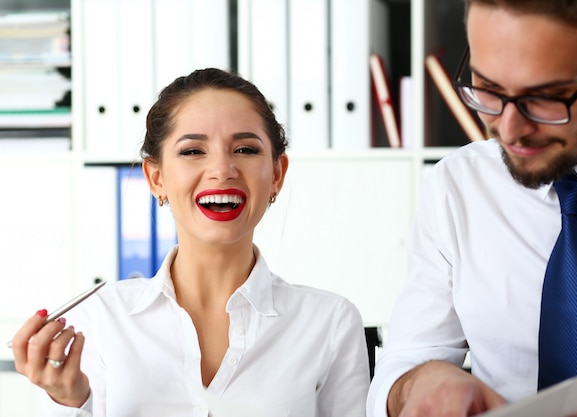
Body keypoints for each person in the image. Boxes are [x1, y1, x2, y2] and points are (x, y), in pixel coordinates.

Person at [9, 68, 370, 416]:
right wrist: (70, 401)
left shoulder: (331, 323)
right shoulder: (98, 320)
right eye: (193, 151)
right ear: (156, 178)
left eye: (245, 149)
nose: (222, 170)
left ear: (277, 174)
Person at [367, 1, 577, 416]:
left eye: (544, 97)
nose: (509, 129)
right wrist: (421, 385)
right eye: (486, 88)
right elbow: (406, 361)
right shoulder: (459, 185)